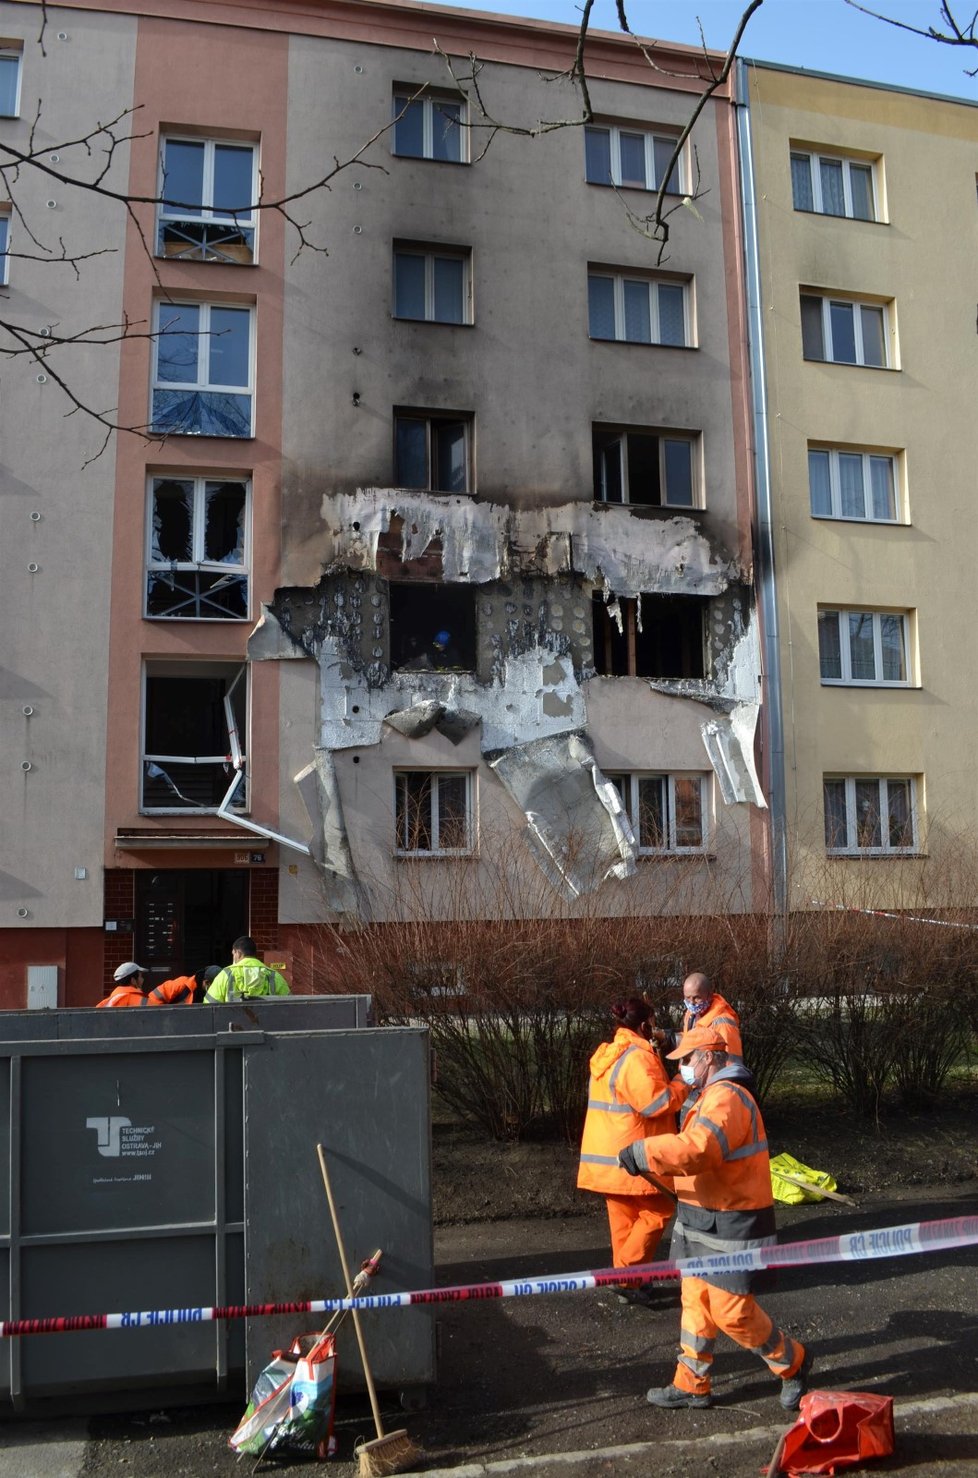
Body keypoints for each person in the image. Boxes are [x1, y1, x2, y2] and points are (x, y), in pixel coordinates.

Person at [617, 1025, 812, 1411]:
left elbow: (699, 1150)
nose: (683, 1068)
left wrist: (644, 1152)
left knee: (731, 1311)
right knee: (695, 1303)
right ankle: (691, 1382)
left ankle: (794, 1363)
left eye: (687, 1060)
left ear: (709, 1057)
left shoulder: (727, 1098)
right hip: (703, 1221)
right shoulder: (712, 1096)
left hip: (730, 1223)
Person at [577, 997, 687, 1305]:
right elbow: (655, 1103)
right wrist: (683, 1081)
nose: (656, 1029)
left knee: (624, 1221)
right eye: (653, 1022)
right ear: (643, 1025)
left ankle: (630, 1280)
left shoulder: (610, 1054)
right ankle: (626, 1279)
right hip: (637, 1155)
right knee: (657, 1212)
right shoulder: (637, 1058)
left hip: (609, 1157)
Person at [653, 972, 744, 1063]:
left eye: (696, 998)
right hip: (694, 1071)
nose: (691, 1003)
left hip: (708, 1074)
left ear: (709, 995)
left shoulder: (723, 1023)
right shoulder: (691, 1014)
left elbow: (731, 1063)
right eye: (687, 997)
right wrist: (667, 1038)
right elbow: (691, 1042)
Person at [203, 936, 290, 1002]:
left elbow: (209, 1006)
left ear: (238, 953)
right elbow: (290, 1006)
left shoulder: (225, 974)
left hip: (232, 1025)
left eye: (233, 954)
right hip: (268, 1025)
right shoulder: (274, 976)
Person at [96, 961, 195, 1007]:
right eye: (140, 976)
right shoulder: (139, 1001)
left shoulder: (107, 1002)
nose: (142, 980)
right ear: (133, 980)